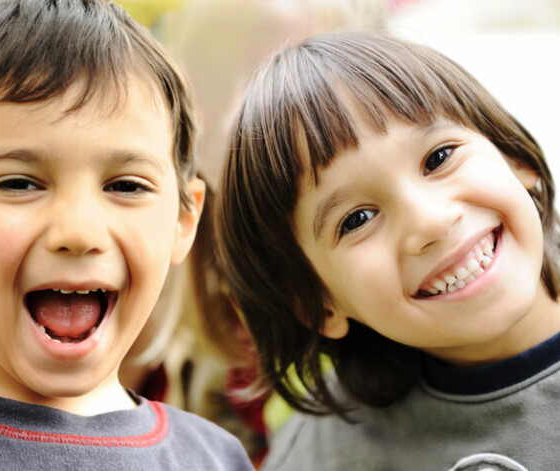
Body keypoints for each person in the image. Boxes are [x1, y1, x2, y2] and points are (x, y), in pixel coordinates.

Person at [0, 1, 253, 469]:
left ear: (183, 221)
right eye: (19, 183)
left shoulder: (218, 459)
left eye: (126, 186)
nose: (78, 233)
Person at [216, 31, 560, 470]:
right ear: (316, 301)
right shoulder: (323, 459)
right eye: (357, 219)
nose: (430, 221)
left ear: (514, 157)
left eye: (439, 158)